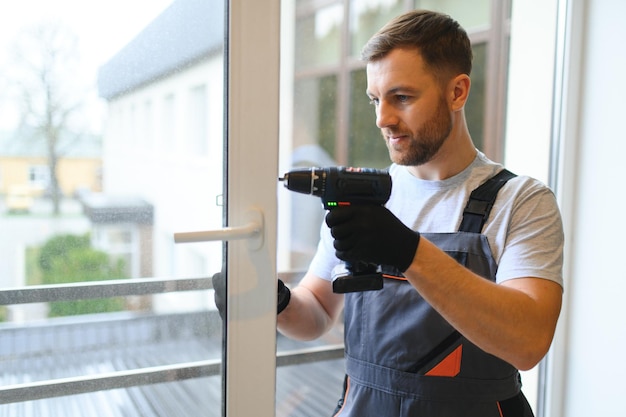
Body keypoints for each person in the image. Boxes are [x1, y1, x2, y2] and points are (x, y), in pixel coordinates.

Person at [274, 9, 564, 417]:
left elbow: (528, 341)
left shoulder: (521, 202)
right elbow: (318, 312)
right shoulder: (365, 198)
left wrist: (409, 252)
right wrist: (277, 302)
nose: (382, 119)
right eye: (375, 100)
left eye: (402, 98)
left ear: (457, 92)